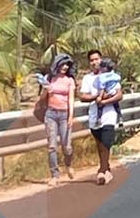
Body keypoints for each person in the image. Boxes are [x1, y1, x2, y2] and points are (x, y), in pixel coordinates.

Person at [80, 50, 123, 185]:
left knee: (106, 141)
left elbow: (119, 95)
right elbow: (82, 96)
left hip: (109, 113)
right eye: (92, 60)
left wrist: (104, 101)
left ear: (101, 60)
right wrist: (96, 97)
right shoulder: (88, 79)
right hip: (94, 115)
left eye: (97, 59)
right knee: (100, 144)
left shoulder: (111, 76)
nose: (94, 62)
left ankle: (102, 170)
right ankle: (106, 168)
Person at [40, 53, 76, 187]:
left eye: (67, 65)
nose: (65, 67)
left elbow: (71, 99)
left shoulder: (69, 80)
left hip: (64, 114)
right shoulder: (49, 78)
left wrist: (71, 116)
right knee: (51, 146)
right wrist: (46, 90)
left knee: (66, 146)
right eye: (63, 64)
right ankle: (54, 174)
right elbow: (42, 97)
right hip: (51, 114)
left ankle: (68, 164)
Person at [93, 58, 123, 128]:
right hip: (114, 91)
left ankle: (99, 119)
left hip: (108, 92)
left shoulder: (102, 77)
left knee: (100, 106)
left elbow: (102, 88)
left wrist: (100, 97)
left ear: (104, 68)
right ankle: (120, 118)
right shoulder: (114, 75)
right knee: (117, 106)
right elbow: (118, 80)